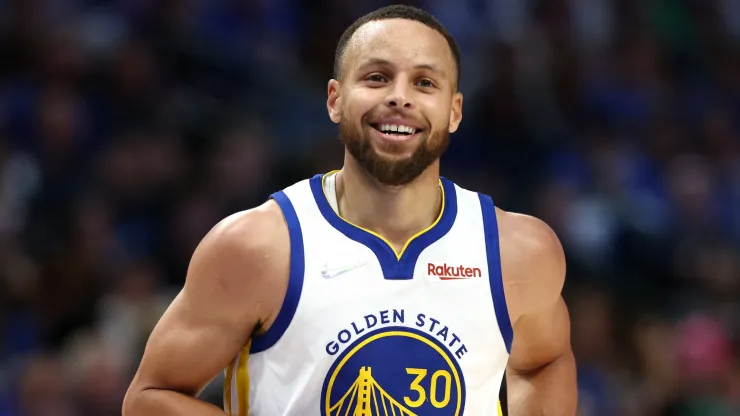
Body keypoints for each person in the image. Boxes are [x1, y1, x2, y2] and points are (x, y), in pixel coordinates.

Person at [123, 4, 577, 415]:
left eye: (425, 82)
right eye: (377, 77)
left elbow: (543, 363)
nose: (400, 97)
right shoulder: (257, 246)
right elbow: (151, 399)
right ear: (335, 100)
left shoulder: (519, 251)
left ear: (454, 111)